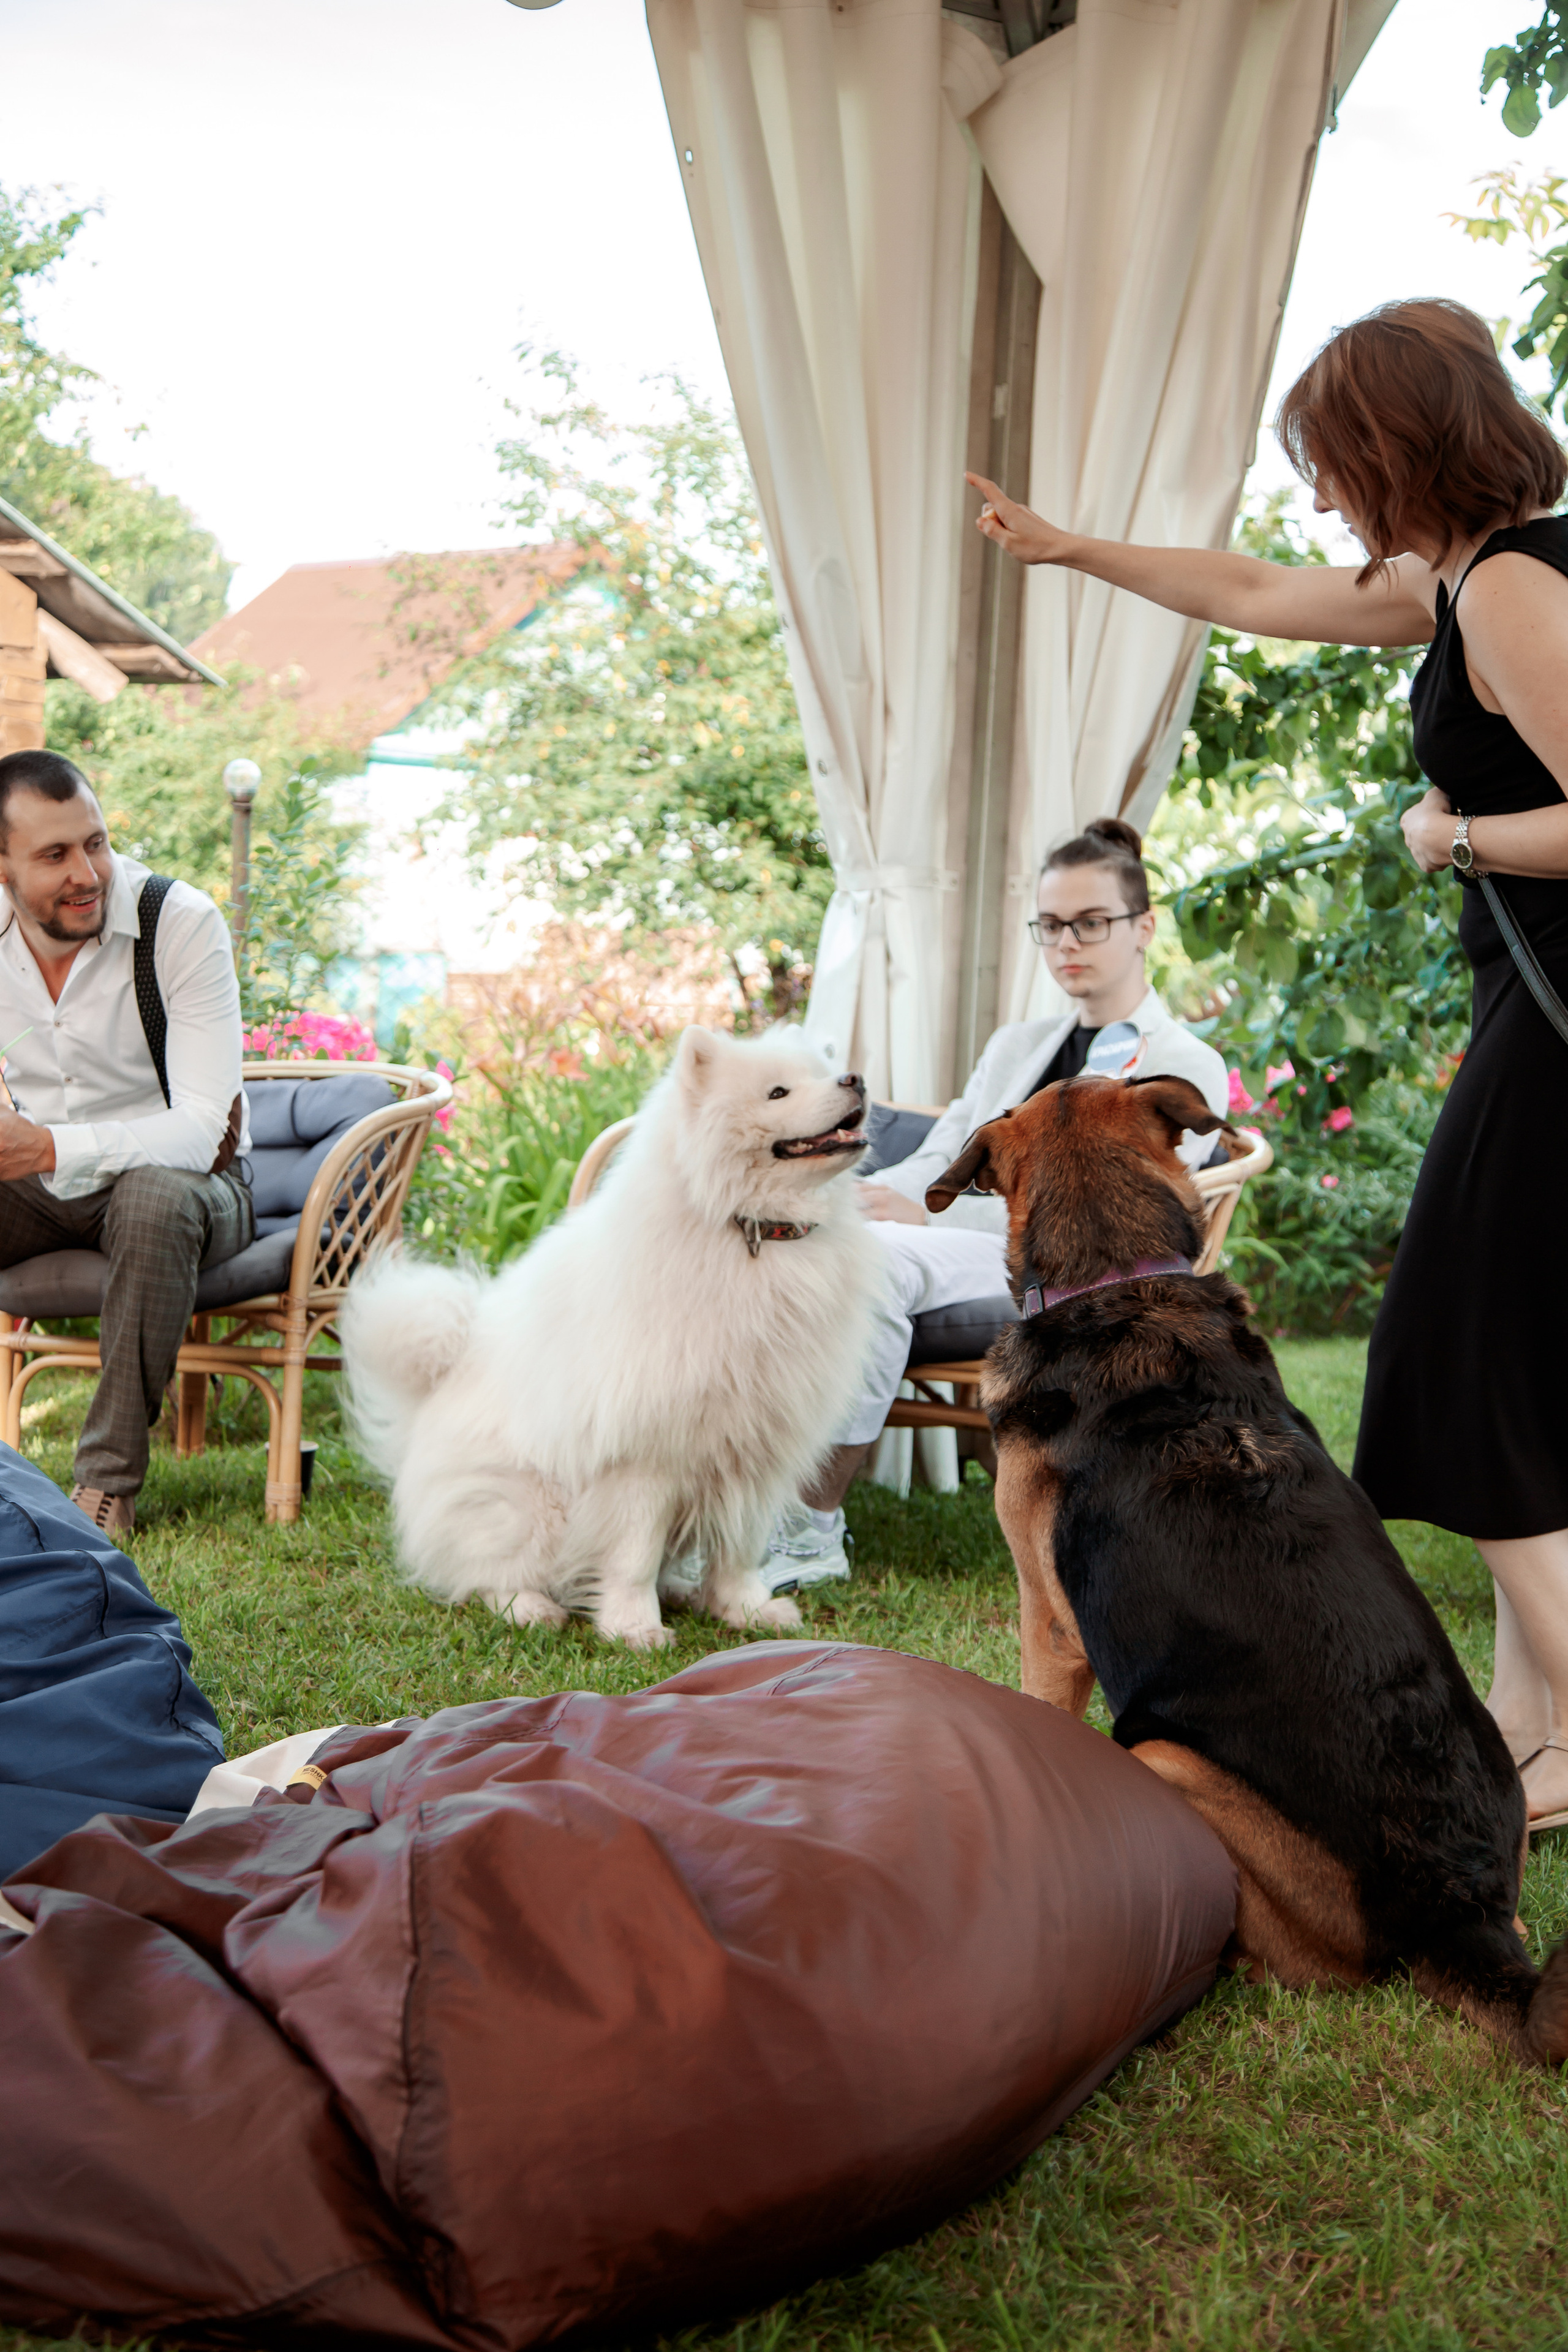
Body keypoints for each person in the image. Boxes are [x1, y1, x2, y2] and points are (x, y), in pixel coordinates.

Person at [966, 296, 1568, 1835]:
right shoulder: (1461, 584)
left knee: (1454, 1356)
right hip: (1529, 1001)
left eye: (1328, 459)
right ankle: (1524, 1725)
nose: (1319, 496)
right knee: (1518, 1373)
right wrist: (1069, 548)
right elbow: (1245, 585)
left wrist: (1452, 834)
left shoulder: (1509, 587)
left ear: (1395, 444)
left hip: (1561, 1019)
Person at [765, 817, 1227, 1588]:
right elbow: (948, 1147)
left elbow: (1140, 1216)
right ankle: (733, 1500)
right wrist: (891, 1198)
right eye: (1048, 927)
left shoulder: (1182, 1062)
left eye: (1089, 923)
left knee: (869, 1269)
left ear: (1143, 926)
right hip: (964, 1243)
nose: (1066, 945)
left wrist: (932, 1214)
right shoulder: (1018, 1044)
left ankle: (808, 1529)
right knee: (830, 1247)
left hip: (1075, 1272)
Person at [0, 750, 252, 1540]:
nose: (88, 873)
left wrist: (46, 1147)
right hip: (41, 1192)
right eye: (55, 855)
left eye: (96, 843)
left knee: (151, 1196)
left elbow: (203, 1127)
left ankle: (105, 1488)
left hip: (189, 1187)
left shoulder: (177, 923)